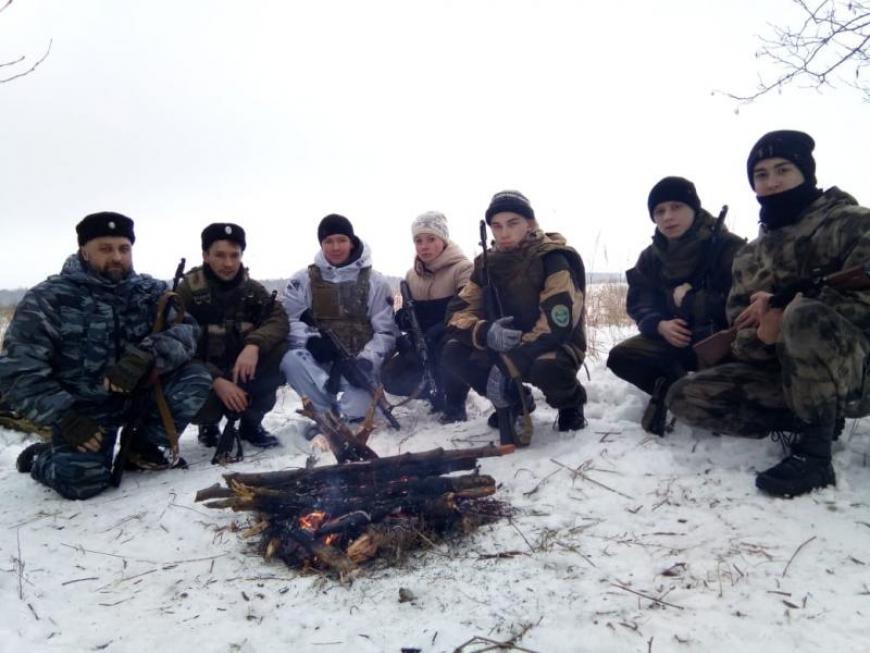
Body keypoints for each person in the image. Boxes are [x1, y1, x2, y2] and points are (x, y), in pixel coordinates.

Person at [667, 130, 870, 497]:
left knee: (803, 315)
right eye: (761, 175)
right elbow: (738, 332)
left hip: (857, 373)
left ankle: (815, 455)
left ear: (806, 172)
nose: (772, 182)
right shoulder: (750, 255)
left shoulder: (853, 224)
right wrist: (764, 336)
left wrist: (790, 310)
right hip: (786, 378)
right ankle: (817, 414)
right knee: (685, 396)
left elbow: (863, 306)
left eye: (783, 169)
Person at [0, 212, 212, 500]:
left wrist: (148, 355)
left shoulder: (151, 292)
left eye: (124, 249)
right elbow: (18, 371)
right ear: (84, 251)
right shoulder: (48, 299)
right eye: (105, 249)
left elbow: (187, 332)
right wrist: (64, 416)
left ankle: (142, 448)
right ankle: (40, 458)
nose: (116, 257)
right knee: (82, 485)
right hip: (83, 410)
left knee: (196, 377)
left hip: (139, 397)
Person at [442, 190, 588, 440]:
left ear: (529, 223)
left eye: (512, 223)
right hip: (504, 344)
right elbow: (457, 312)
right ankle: (516, 402)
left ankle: (570, 404)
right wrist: (485, 332)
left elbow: (557, 324)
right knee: (453, 351)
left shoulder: (553, 258)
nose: (504, 233)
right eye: (496, 226)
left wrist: (513, 359)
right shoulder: (485, 264)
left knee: (547, 368)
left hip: (551, 344)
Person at [607, 177, 745, 435]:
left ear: (694, 208)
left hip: (724, 345)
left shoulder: (730, 248)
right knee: (622, 357)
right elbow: (639, 300)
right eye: (659, 211)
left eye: (676, 207)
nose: (668, 216)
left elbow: (742, 303)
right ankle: (671, 385)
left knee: (730, 394)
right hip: (676, 340)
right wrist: (660, 325)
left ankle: (696, 395)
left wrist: (691, 301)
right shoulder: (651, 256)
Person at [175, 223, 289, 449]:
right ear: (206, 256)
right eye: (220, 255)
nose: (228, 263)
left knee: (281, 351)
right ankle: (208, 424)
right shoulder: (187, 292)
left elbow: (279, 319)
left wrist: (254, 345)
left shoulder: (252, 290)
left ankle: (251, 424)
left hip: (241, 370)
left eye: (234, 255)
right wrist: (215, 379)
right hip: (204, 375)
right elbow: (176, 346)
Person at [280, 214, 398, 431]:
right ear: (321, 244)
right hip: (321, 361)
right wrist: (310, 340)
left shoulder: (375, 282)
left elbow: (386, 333)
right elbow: (290, 319)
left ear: (351, 241)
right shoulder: (302, 280)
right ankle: (324, 412)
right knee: (290, 360)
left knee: (359, 412)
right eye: (328, 241)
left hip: (358, 363)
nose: (335, 247)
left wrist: (366, 360)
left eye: (341, 240)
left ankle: (352, 410)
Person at [381, 211, 473, 423]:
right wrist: (403, 319)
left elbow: (467, 310)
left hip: (453, 339)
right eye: (418, 241)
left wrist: (441, 328)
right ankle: (434, 393)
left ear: (444, 239)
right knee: (390, 376)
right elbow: (409, 314)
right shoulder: (411, 275)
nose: (424, 246)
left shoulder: (463, 269)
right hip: (423, 343)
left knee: (451, 351)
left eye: (431, 239)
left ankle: (456, 404)